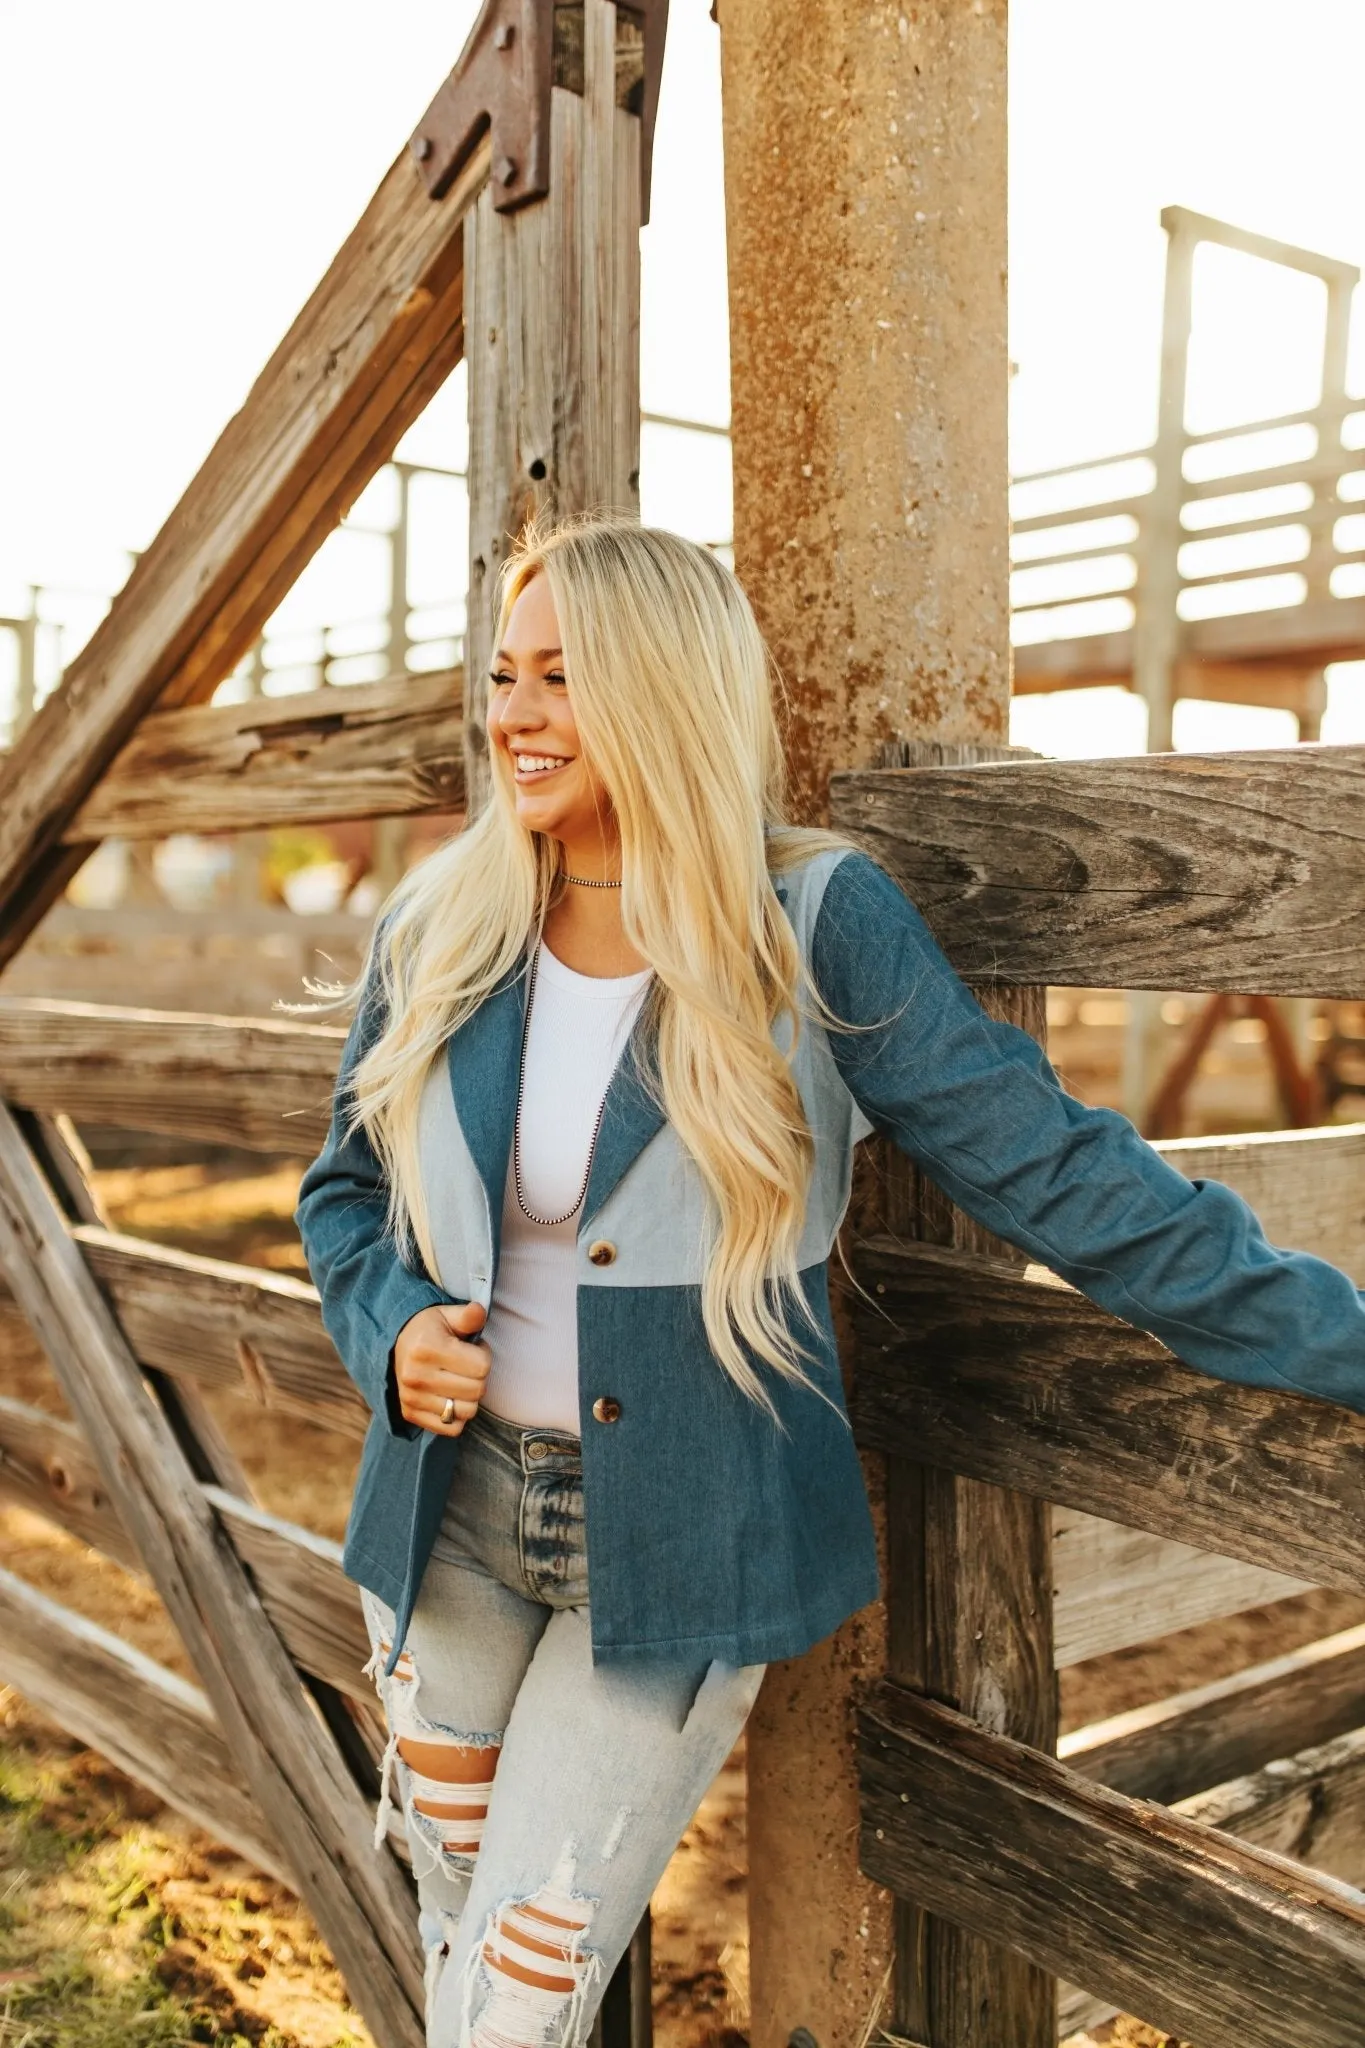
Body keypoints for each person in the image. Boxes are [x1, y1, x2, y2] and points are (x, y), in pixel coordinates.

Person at [294, 516, 1365, 2048]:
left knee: (512, 1993)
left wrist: (1341, 1340)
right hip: (444, 1526)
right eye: (503, 676)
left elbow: (1061, 1173)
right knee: (460, 1938)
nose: (509, 717)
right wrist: (388, 1328)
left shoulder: (813, 921)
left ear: (665, 689)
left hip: (670, 1545)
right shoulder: (439, 925)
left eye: (558, 681)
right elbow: (342, 1196)